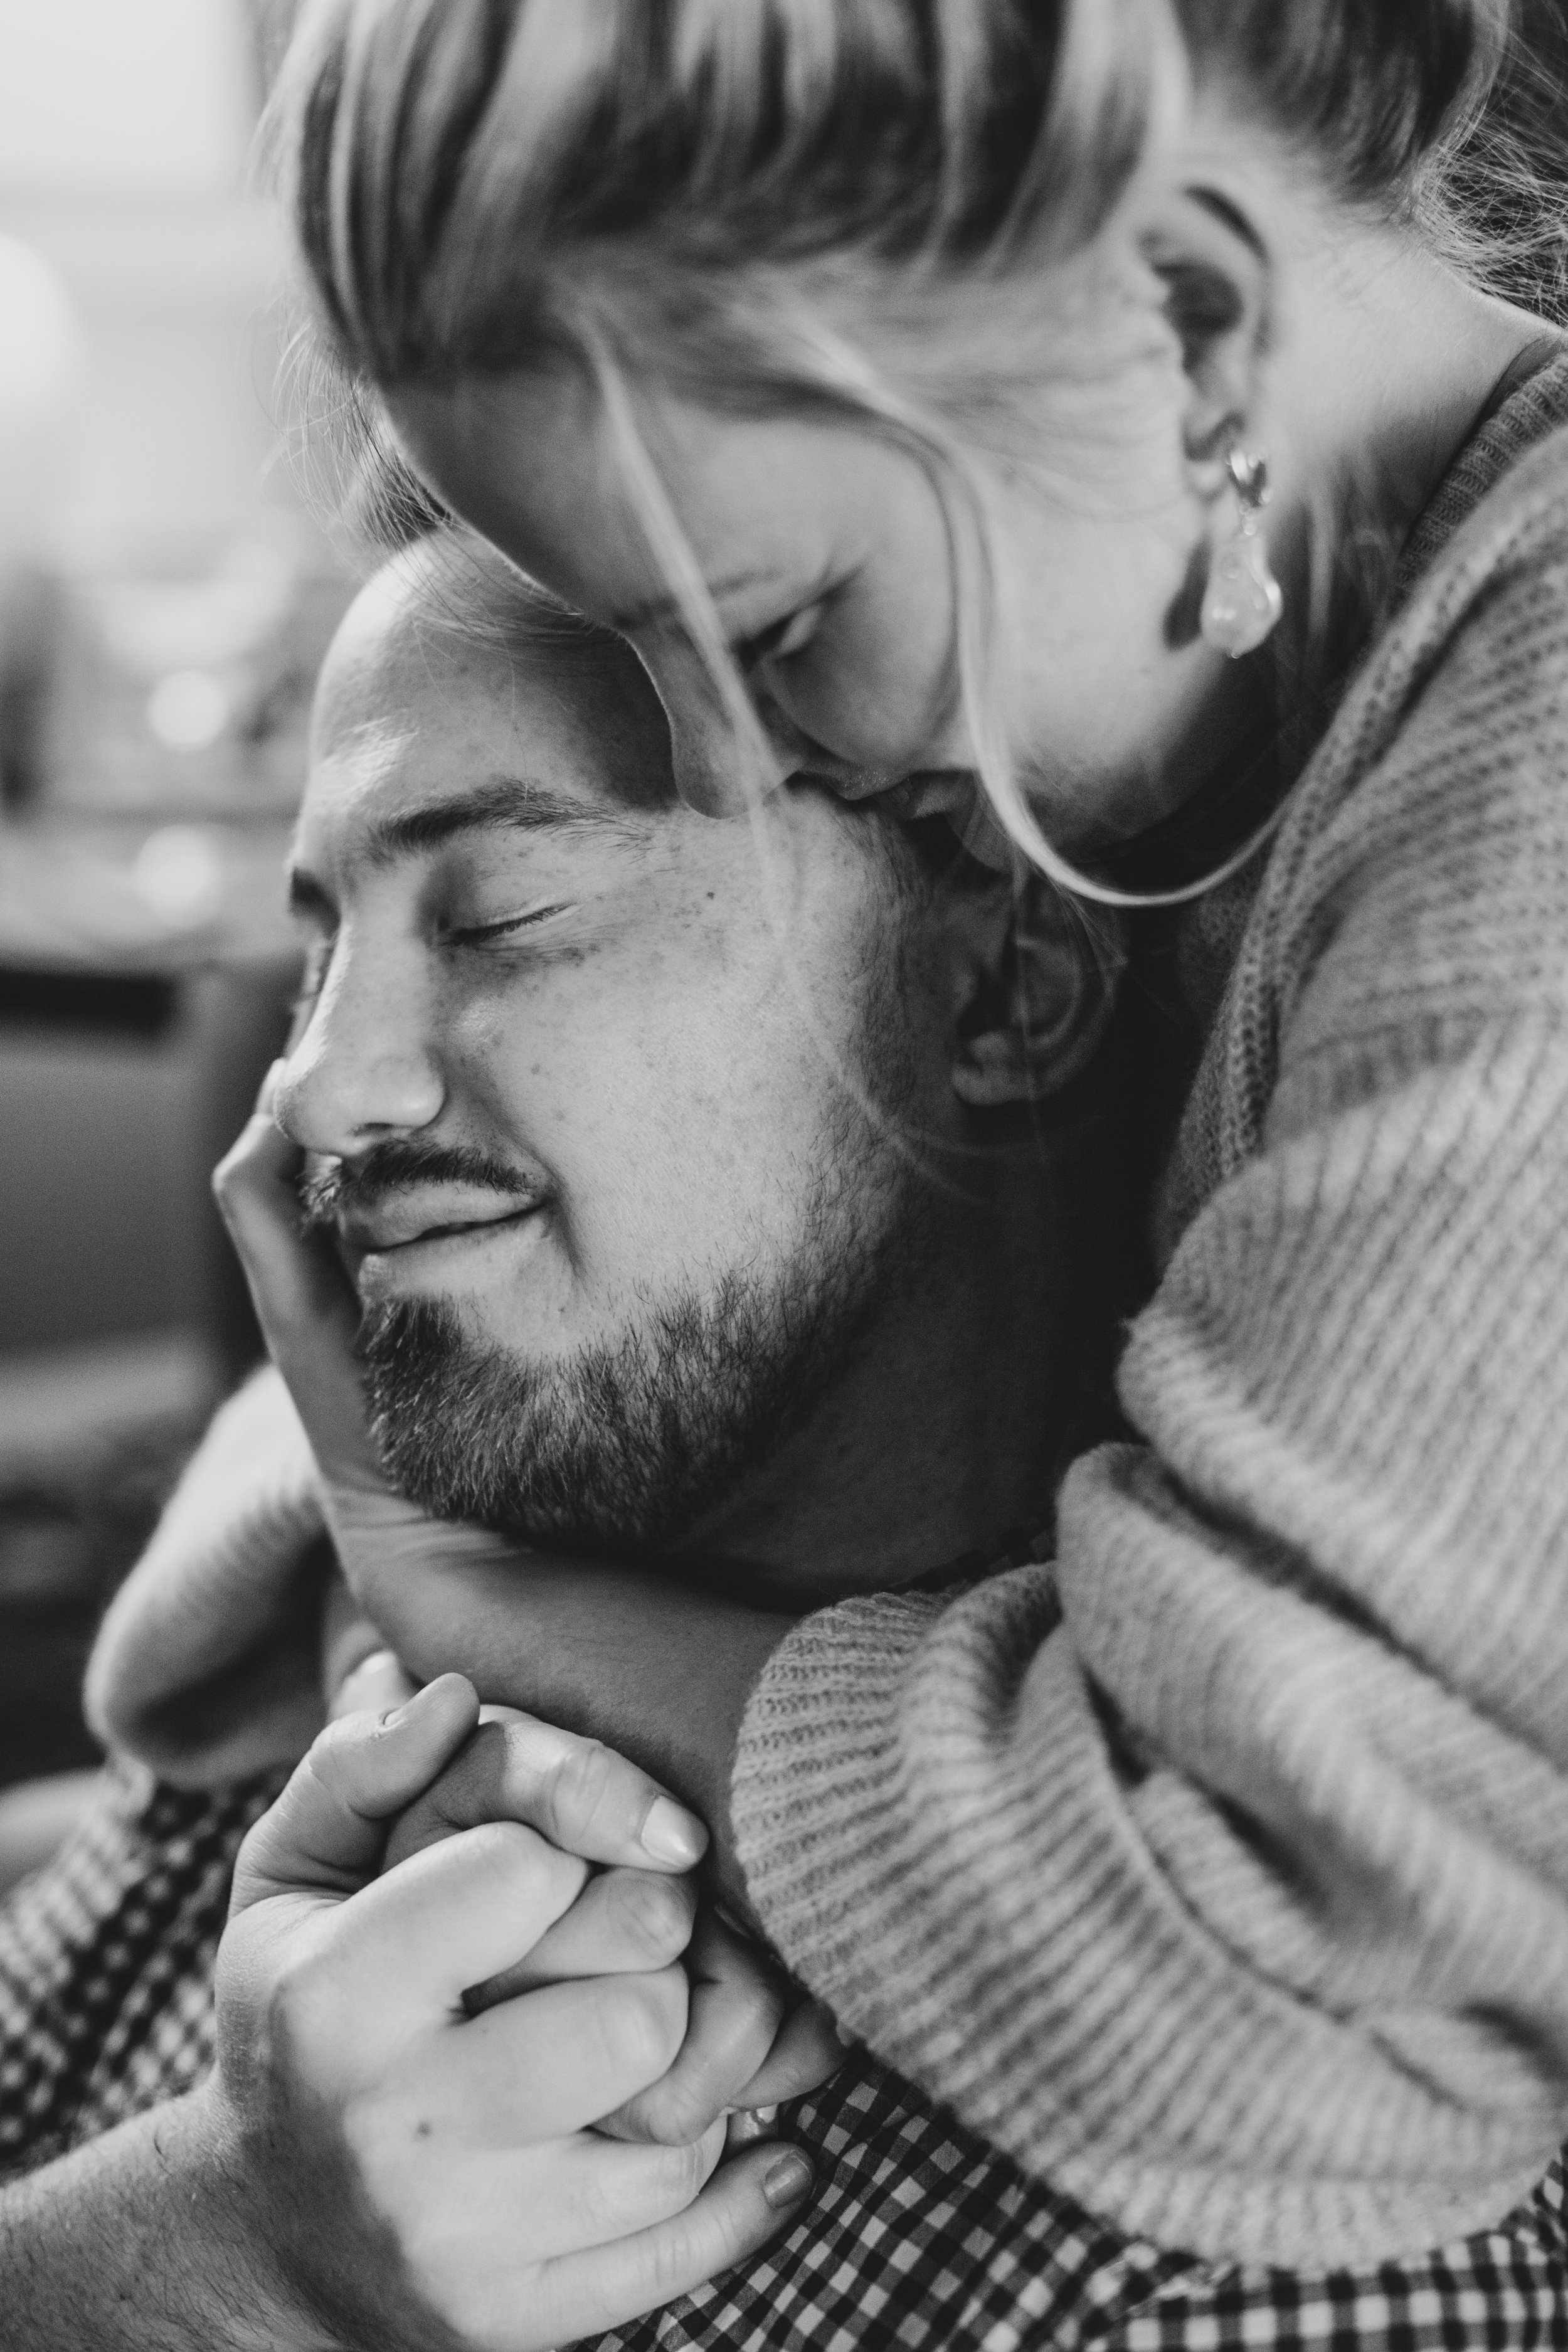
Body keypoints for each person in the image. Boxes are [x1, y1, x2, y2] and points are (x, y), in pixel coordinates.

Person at [252, 0, 1568, 2281]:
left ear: (1184, 316)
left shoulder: (1525, 774)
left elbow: (1292, 1994)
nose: (764, 758)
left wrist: (463, 1584)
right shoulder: (1225, 684)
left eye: (769, 628)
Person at [5, 528, 1206, 2351]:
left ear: (1008, 977)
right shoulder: (327, 1665)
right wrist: (209, 2237)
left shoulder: (1203, 2245)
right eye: (317, 945)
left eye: (497, 913)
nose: (314, 1084)